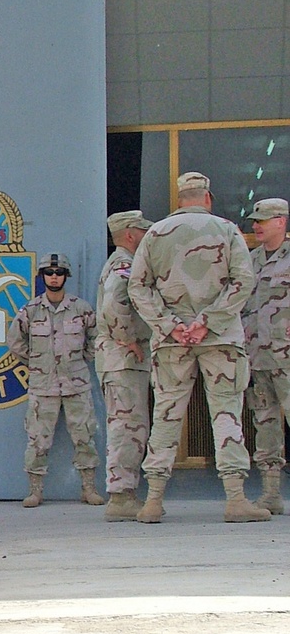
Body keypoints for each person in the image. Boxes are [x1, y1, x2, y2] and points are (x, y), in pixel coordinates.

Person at [129, 171, 267, 523]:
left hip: (171, 342)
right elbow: (243, 280)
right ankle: (236, 499)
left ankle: (153, 501)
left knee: (166, 415)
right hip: (219, 339)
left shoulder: (156, 234)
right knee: (226, 413)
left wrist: (171, 325)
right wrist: (208, 321)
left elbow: (138, 287)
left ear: (180, 199)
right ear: (207, 197)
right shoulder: (226, 230)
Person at [6, 253, 103, 507]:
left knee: (84, 437)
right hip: (43, 386)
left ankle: (88, 488)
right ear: (42, 277)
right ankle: (35, 491)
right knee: (38, 440)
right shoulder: (31, 310)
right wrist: (37, 361)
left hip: (76, 384)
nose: (54, 277)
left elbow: (97, 338)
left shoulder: (81, 309)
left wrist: (84, 357)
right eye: (49, 273)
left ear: (65, 277)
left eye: (59, 273)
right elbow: (14, 342)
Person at [95, 210, 153, 521]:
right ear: (130, 235)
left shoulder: (123, 264)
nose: (147, 235)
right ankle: (120, 496)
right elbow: (113, 304)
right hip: (123, 360)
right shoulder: (123, 265)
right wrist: (127, 337)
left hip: (121, 362)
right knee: (128, 426)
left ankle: (125, 491)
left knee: (130, 425)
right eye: (142, 230)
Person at [241, 197, 290, 514]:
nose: (256, 225)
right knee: (266, 424)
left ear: (281, 222)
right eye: (254, 220)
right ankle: (271, 493)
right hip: (258, 359)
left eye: (263, 219)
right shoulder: (249, 261)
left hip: (286, 358)